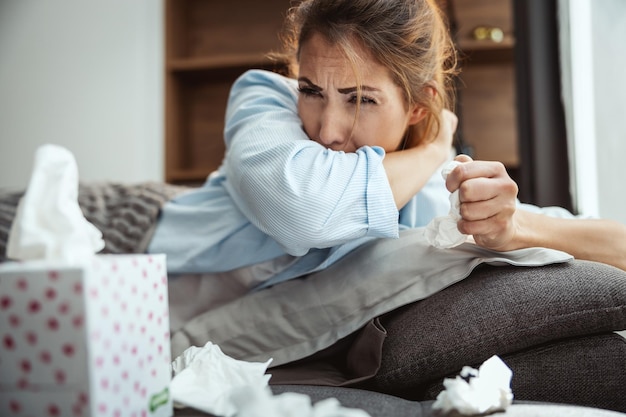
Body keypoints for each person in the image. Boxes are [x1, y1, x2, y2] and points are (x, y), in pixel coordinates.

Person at [148, 0, 626, 290]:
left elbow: (614, 243)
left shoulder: (428, 199)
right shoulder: (264, 100)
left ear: (419, 106)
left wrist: (515, 224)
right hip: (133, 253)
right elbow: (307, 212)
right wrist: (433, 149)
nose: (328, 129)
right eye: (312, 90)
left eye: (360, 100)